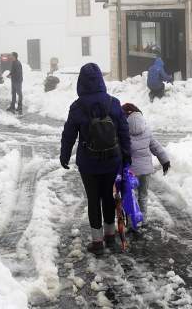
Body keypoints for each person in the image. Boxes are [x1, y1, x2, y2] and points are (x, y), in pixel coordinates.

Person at [60, 63, 132, 255]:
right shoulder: (113, 103)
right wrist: (126, 157)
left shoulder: (77, 107)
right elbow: (124, 132)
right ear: (101, 80)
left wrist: (65, 155)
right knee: (109, 197)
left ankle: (97, 242)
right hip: (112, 160)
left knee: (93, 200)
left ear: (81, 82)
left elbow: (69, 134)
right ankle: (111, 237)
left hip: (88, 163)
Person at [122, 103, 169, 223]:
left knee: (129, 197)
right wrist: (165, 161)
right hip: (146, 171)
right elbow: (156, 147)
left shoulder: (123, 131)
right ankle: (143, 220)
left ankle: (132, 221)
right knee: (143, 196)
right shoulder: (146, 130)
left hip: (131, 172)